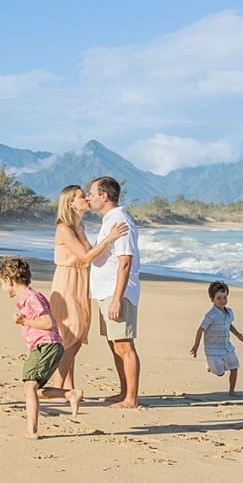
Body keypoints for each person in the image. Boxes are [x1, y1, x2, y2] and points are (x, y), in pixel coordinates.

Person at [48, 184, 128, 391]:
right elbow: (85, 256)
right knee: (72, 335)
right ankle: (57, 387)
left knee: (74, 334)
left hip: (81, 280)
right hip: (67, 281)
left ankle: (68, 387)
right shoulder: (64, 229)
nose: (87, 199)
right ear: (70, 203)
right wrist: (109, 239)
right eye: (82, 196)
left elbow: (93, 254)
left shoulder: (79, 227)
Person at [0, 257, 83, 439]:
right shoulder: (27, 299)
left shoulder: (32, 297)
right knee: (34, 390)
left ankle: (32, 430)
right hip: (47, 346)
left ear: (9, 280)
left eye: (2, 283)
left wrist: (24, 321)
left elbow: (48, 322)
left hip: (46, 345)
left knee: (29, 386)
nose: (2, 288)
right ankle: (70, 394)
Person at [88, 175, 141, 409]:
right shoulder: (109, 220)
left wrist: (117, 299)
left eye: (92, 194)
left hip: (117, 292)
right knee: (114, 344)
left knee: (124, 345)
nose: (89, 198)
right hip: (105, 292)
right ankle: (123, 392)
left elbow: (125, 262)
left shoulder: (120, 221)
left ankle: (131, 398)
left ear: (104, 196)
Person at [190, 280, 243, 396]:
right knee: (220, 373)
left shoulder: (229, 312)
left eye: (225, 297)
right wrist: (196, 346)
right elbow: (200, 329)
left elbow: (229, 325)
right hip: (213, 349)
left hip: (227, 347)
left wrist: (239, 335)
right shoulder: (211, 315)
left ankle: (232, 391)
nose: (223, 301)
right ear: (212, 299)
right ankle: (210, 365)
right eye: (219, 298)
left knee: (234, 367)